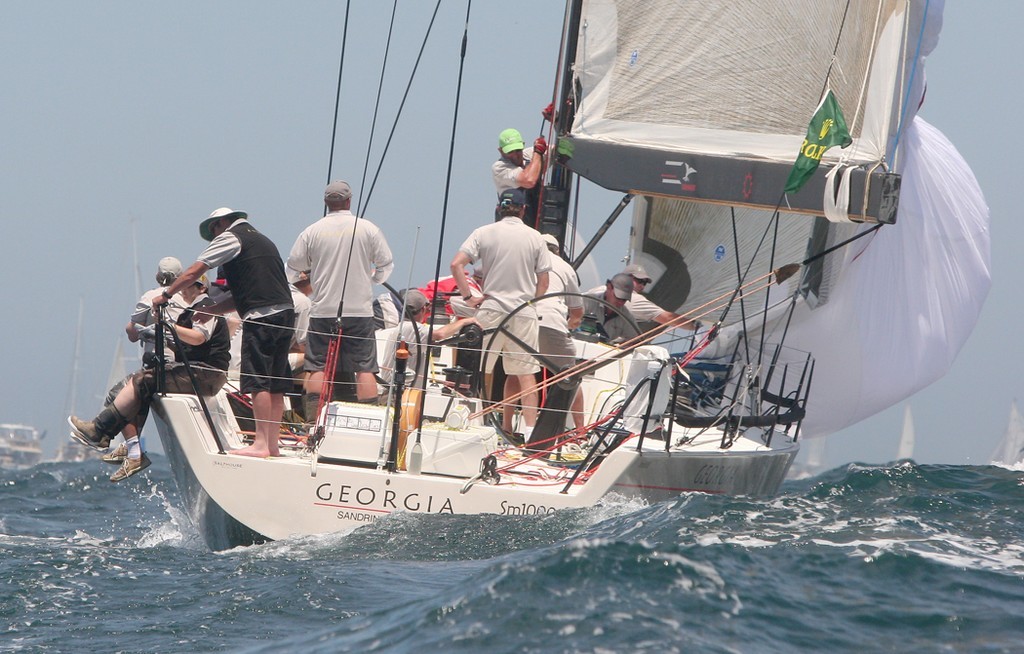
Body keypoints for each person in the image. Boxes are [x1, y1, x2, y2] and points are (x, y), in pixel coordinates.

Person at [154, 207, 295, 458]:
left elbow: (194, 271)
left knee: (259, 380)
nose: (214, 238)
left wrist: (166, 294)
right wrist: (215, 310)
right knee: (275, 382)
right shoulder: (262, 240)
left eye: (213, 232)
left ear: (220, 224)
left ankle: (261, 444)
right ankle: (271, 445)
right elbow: (248, 295)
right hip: (283, 315)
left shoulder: (231, 237)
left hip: (262, 319)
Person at [69, 275, 230, 480]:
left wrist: (166, 325)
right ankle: (129, 450)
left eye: (186, 286)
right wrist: (156, 336)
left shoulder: (205, 307)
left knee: (142, 382)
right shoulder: (188, 313)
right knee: (126, 388)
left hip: (206, 374)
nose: (181, 290)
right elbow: (186, 347)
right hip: (194, 371)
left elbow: (199, 338)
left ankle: (99, 431)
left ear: (199, 288)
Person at [286, 180, 394, 419]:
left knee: (317, 366)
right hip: (360, 311)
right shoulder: (367, 228)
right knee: (365, 367)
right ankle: (368, 422)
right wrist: (372, 279)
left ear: (326, 203)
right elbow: (386, 265)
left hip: (323, 310)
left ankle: (314, 422)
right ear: (349, 201)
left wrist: (310, 276)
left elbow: (292, 269)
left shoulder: (311, 231)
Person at [451, 188, 550, 442]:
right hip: (523, 311)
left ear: (499, 208)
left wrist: (468, 297)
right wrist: (532, 302)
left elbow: (456, 264)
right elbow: (544, 281)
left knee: (481, 369)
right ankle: (529, 433)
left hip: (492, 307)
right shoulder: (536, 237)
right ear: (523, 210)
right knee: (526, 374)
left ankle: (477, 424)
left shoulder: (483, 232)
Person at [379, 289, 478, 388]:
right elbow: (440, 334)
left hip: (397, 390)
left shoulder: (401, 327)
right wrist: (464, 322)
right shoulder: (411, 328)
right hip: (398, 393)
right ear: (423, 309)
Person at [536, 234, 585, 432]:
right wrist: (571, 324)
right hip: (552, 322)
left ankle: (507, 425)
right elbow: (577, 311)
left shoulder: (528, 259)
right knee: (570, 375)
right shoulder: (565, 268)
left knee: (518, 373)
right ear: (557, 251)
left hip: (522, 320)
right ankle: (580, 431)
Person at [620, 263, 698, 331]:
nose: (642, 286)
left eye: (645, 283)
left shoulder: (608, 289)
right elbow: (668, 317)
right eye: (639, 280)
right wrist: (695, 326)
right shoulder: (633, 299)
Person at [492, 128, 547, 224]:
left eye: (518, 150)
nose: (515, 155)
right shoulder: (499, 168)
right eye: (510, 152)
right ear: (500, 151)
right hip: (511, 225)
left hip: (537, 221)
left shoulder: (529, 155)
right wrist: (538, 153)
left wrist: (556, 121)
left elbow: (559, 149)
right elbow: (529, 180)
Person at [581, 273, 639, 344]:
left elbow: (636, 341)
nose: (621, 302)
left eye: (624, 299)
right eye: (618, 297)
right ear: (609, 287)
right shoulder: (587, 301)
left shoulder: (626, 317)